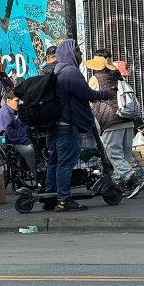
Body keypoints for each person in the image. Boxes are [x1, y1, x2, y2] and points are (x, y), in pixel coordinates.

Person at [46, 40, 110, 212]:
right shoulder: (71, 72)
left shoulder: (57, 71)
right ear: (70, 53)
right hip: (67, 125)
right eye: (78, 51)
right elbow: (86, 93)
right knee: (65, 163)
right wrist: (105, 93)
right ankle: (63, 200)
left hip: (55, 125)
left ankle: (50, 196)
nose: (81, 55)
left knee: (55, 162)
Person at [86, 54, 141, 195]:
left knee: (114, 154)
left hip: (110, 121)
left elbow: (89, 98)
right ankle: (122, 186)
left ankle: (132, 178)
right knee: (125, 155)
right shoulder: (118, 77)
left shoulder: (95, 79)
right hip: (127, 120)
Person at [0, 90, 37, 179]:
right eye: (17, 100)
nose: (19, 103)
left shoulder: (15, 111)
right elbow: (10, 134)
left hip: (20, 140)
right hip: (9, 143)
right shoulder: (4, 114)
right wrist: (26, 141)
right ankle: (37, 177)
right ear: (8, 101)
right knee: (29, 151)